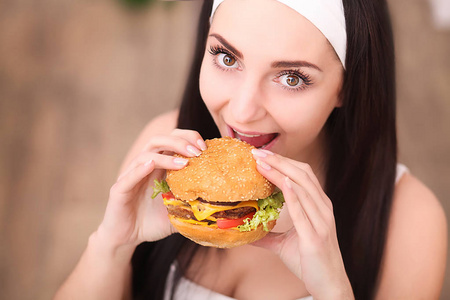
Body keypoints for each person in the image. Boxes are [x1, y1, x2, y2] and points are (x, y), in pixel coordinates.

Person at [54, 0, 447, 299]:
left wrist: (332, 290)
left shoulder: (411, 221)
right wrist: (112, 243)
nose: (242, 112)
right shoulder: (164, 150)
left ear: (347, 85)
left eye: (291, 78)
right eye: (226, 57)